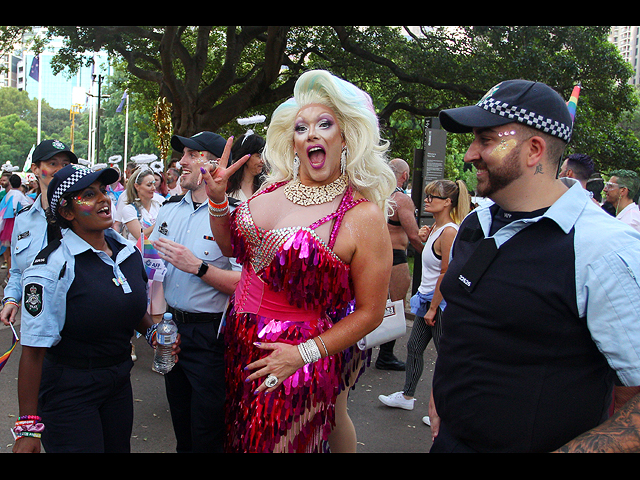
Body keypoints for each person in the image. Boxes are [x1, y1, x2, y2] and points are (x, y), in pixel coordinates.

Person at [428, 79, 640, 453]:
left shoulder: (602, 248)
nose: (469, 154)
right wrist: (441, 396)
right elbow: (467, 325)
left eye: (487, 140)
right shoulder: (477, 225)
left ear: (534, 150)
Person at [200, 70, 396, 453]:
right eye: (302, 127)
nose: (313, 134)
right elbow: (232, 248)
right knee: (241, 438)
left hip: (297, 351)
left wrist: (301, 355)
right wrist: (219, 199)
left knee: (283, 442)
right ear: (292, 141)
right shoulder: (271, 189)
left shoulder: (362, 215)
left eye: (325, 124)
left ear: (345, 137)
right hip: (241, 341)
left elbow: (371, 312)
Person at [12, 164, 176, 453]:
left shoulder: (127, 251)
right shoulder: (51, 267)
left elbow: (129, 306)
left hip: (117, 383)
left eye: (102, 190)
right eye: (88, 194)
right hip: (69, 390)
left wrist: (154, 332)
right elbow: (34, 350)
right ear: (66, 212)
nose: (103, 198)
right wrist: (28, 427)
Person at [149, 131, 242, 453]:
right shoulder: (169, 209)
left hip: (210, 337)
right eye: (183, 154)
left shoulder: (236, 216)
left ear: (215, 164)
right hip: (172, 332)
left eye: (192, 154)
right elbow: (154, 273)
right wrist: (156, 323)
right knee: (183, 430)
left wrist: (199, 267)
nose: (182, 161)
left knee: (209, 433)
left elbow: (246, 286)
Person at [379, 179, 469, 413]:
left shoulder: (449, 232)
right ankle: (408, 395)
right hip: (428, 300)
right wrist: (426, 237)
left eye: (433, 197)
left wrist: (433, 307)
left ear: (448, 202)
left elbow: (446, 272)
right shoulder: (437, 229)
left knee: (445, 356)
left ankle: (443, 407)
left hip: (438, 303)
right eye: (427, 196)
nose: (426, 201)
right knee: (414, 347)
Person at [1, 140, 77, 328]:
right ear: (35, 169)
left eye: (66, 165)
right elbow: (18, 272)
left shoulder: (83, 215)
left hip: (78, 316)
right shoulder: (24, 219)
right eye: (53, 163)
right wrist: (11, 299)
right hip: (36, 319)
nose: (60, 169)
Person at [375, 158, 423, 371]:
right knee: (396, 305)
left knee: (372, 304)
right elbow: (413, 235)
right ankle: (385, 355)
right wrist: (430, 253)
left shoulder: (376, 194)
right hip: (395, 256)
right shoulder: (400, 199)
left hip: (374, 255)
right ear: (404, 176)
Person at [226, 133, 266, 203]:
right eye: (259, 156)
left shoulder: (266, 186)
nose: (263, 161)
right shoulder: (227, 186)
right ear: (245, 156)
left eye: (264, 156)